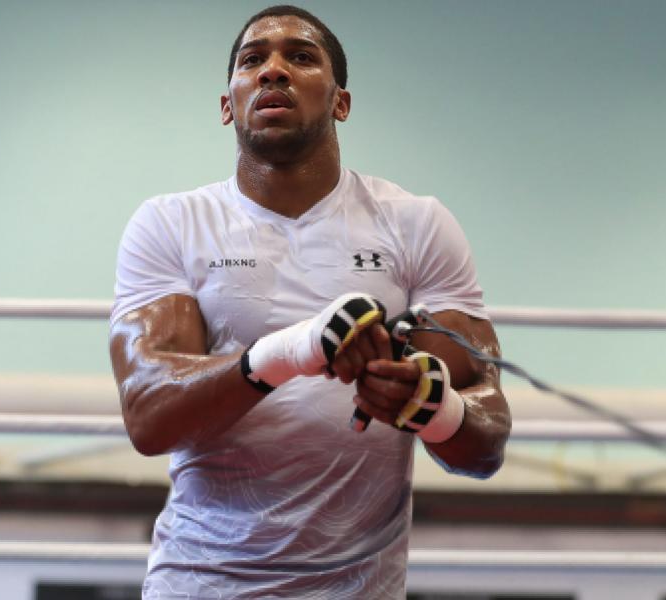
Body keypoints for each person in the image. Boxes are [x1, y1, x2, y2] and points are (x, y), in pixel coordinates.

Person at [108, 5, 510, 598]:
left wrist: (431, 404)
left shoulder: (414, 224)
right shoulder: (172, 224)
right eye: (253, 60)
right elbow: (148, 413)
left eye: (299, 56)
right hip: (202, 583)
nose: (273, 71)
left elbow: (488, 437)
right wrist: (294, 351)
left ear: (341, 102)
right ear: (228, 105)